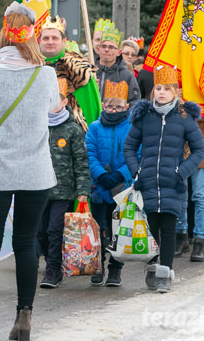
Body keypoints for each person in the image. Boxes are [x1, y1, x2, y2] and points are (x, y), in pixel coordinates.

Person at [0, 2, 58, 341]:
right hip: (35, 171)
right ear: (33, 34)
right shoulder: (45, 73)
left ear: (5, 32)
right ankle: (24, 317)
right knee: (25, 242)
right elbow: (52, 106)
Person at [124, 64, 204, 293]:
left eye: (167, 88)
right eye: (158, 88)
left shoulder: (184, 117)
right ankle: (152, 266)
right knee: (151, 229)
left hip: (173, 183)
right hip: (147, 181)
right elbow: (129, 146)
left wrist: (181, 172)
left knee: (168, 229)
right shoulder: (144, 116)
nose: (161, 92)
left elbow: (199, 150)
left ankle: (164, 273)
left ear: (175, 92)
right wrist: (136, 171)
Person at [37, 78, 91, 289]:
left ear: (65, 101)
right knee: (39, 232)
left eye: (56, 99)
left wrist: (83, 190)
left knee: (54, 230)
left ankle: (53, 270)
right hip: (39, 190)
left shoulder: (73, 130)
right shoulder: (38, 126)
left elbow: (81, 162)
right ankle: (47, 262)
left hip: (63, 192)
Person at [86, 82, 133, 287]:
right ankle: (98, 266)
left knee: (119, 230)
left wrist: (120, 175)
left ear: (126, 107)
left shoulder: (132, 127)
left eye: (118, 107)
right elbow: (89, 153)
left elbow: (136, 153)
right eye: (110, 107)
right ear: (103, 106)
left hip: (122, 186)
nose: (113, 111)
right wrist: (101, 175)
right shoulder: (95, 127)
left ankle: (116, 268)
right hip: (100, 186)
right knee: (98, 229)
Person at [173, 70, 204, 262]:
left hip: (200, 142)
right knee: (180, 193)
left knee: (201, 194)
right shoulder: (173, 71)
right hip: (176, 143)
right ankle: (181, 236)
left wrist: (186, 111)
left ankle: (200, 239)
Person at [38, 16, 102, 132]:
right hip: (38, 131)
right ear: (40, 41)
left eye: (55, 38)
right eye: (46, 38)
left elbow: (90, 107)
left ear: (64, 41)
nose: (50, 42)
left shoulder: (79, 68)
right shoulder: (31, 66)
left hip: (73, 134)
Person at [95, 22, 140, 105]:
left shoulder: (127, 76)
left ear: (119, 52)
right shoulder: (89, 74)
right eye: (104, 46)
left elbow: (134, 103)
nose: (107, 49)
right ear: (98, 49)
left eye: (111, 47)